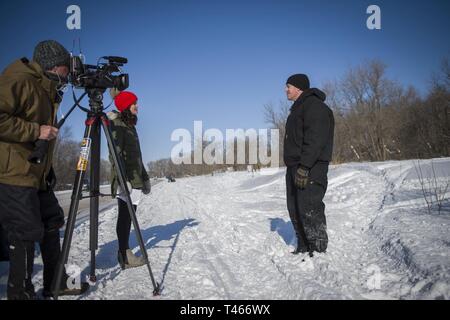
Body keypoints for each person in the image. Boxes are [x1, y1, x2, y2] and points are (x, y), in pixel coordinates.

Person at [0, 40, 89, 299]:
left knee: (52, 222)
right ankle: (21, 293)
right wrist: (34, 130)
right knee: (25, 232)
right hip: (14, 173)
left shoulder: (45, 87)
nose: (67, 75)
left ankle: (55, 282)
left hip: (38, 174)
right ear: (53, 66)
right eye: (65, 69)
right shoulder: (18, 79)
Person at [283, 74, 334, 256]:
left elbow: (315, 140)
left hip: (311, 168)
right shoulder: (297, 109)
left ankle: (318, 249)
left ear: (298, 88)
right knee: (295, 207)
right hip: (295, 166)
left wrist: (304, 166)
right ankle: (304, 245)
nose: (285, 89)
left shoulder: (315, 107)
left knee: (310, 206)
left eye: (288, 86)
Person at [108, 90, 151, 269]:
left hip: (135, 178)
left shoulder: (129, 125)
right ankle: (124, 254)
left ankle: (124, 253)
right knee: (125, 216)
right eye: (134, 103)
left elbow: (137, 156)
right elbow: (114, 155)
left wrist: (145, 177)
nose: (137, 106)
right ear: (126, 105)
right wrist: (122, 179)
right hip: (126, 180)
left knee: (128, 216)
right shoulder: (117, 124)